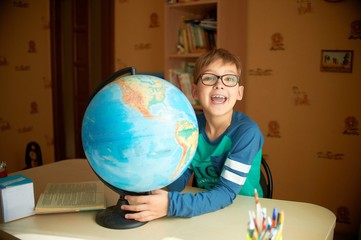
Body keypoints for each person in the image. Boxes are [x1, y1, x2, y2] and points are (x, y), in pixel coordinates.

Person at [121, 48, 264, 222]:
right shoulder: (190, 127)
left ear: (239, 92)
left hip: (243, 213)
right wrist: (157, 184)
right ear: (195, 92)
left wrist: (169, 205)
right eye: (209, 78)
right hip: (207, 209)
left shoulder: (247, 132)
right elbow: (179, 181)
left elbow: (226, 193)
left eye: (229, 79)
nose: (219, 84)